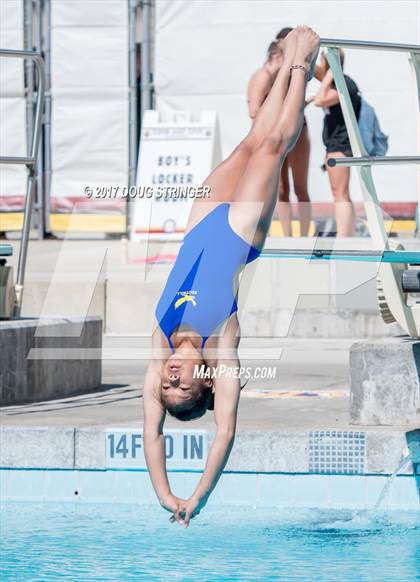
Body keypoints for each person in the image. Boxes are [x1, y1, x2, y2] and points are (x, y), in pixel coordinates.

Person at [143, 26, 320, 527]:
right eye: (183, 387)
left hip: (201, 221)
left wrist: (163, 494)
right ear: (205, 384)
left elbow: (152, 436)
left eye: (166, 386)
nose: (172, 378)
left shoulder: (161, 342)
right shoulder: (222, 351)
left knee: (251, 141)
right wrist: (198, 496)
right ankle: (300, 63)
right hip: (240, 233)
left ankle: (286, 64)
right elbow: (223, 432)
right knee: (273, 149)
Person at [247, 27, 322, 237]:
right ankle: (288, 235)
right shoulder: (265, 74)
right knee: (281, 190)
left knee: (300, 188)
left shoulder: (296, 66)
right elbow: (254, 111)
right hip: (275, 135)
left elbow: (327, 74)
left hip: (296, 131)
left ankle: (306, 235)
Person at [311, 50, 361, 237]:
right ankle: (348, 234)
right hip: (335, 146)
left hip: (341, 146)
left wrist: (332, 72)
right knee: (341, 193)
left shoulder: (343, 85)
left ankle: (344, 237)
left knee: (339, 193)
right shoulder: (338, 85)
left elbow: (320, 100)